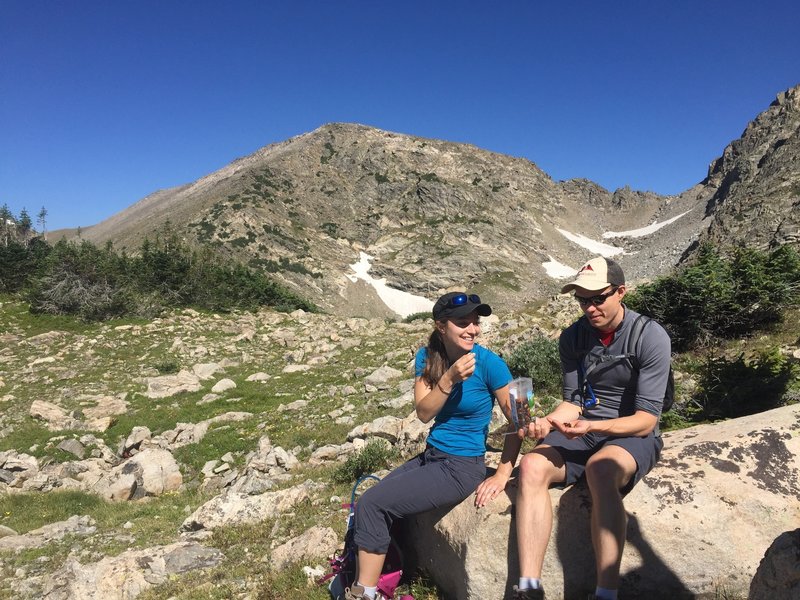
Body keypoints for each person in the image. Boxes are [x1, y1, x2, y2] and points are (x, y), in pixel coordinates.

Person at [511, 256, 671, 600]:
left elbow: (647, 418)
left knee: (601, 470)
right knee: (531, 466)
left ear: (621, 292)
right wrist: (552, 421)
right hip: (587, 427)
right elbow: (574, 399)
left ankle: (605, 593)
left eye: (599, 298)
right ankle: (528, 587)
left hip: (632, 431)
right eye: (582, 299)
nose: (590, 307)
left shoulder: (650, 336)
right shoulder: (573, 337)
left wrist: (590, 427)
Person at [345, 291, 521, 600]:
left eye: (475, 323)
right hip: (433, 456)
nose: (473, 330)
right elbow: (424, 412)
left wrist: (502, 473)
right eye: (462, 323)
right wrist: (449, 380)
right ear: (441, 326)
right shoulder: (428, 356)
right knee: (371, 503)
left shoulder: (490, 363)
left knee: (373, 505)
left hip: (461, 466)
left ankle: (365, 593)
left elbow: (522, 419)